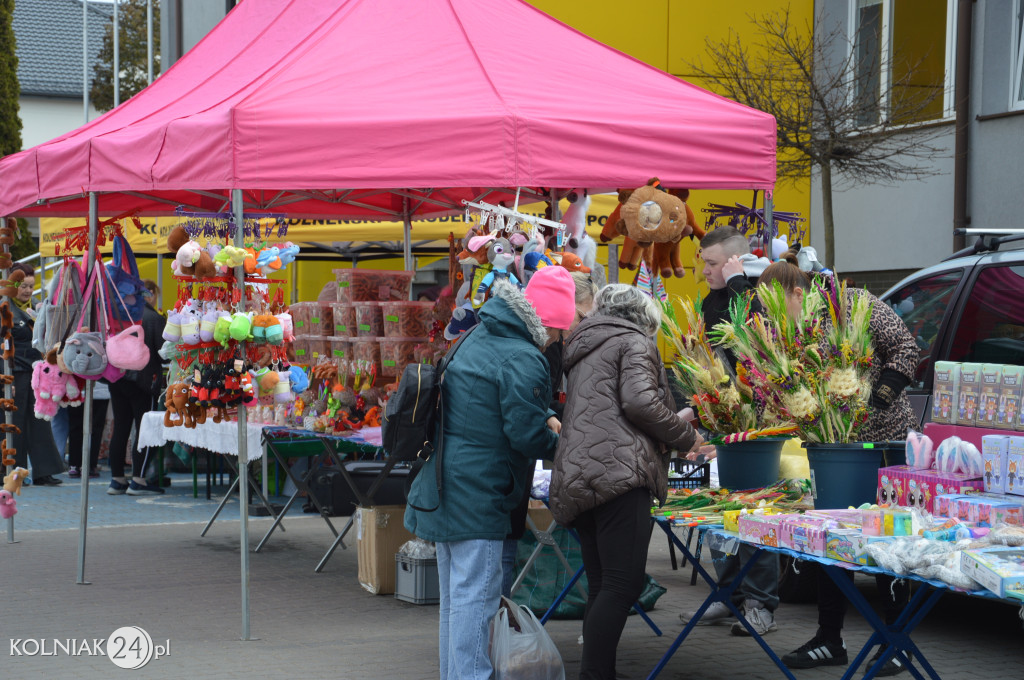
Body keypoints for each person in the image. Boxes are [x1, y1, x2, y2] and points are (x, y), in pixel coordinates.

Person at [404, 266, 577, 680]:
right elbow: (524, 434)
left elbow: (496, 403)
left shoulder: (477, 335)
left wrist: (545, 414)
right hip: (478, 493)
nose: (556, 341)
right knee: (476, 602)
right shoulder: (524, 356)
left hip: (446, 485)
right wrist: (566, 444)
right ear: (548, 322)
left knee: (456, 602)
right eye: (557, 332)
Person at [759, 252, 918, 676]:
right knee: (829, 535)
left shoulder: (851, 303)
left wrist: (880, 394)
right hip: (832, 443)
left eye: (779, 309)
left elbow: (906, 346)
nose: (777, 320)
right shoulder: (797, 329)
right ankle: (830, 640)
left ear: (798, 292)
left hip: (883, 441)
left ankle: (895, 640)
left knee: (882, 538)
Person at [549, 284, 701, 680]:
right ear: (644, 318)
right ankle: (596, 675)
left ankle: (599, 672)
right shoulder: (634, 342)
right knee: (622, 583)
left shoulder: (585, 345)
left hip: (581, 474)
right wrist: (686, 438)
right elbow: (640, 402)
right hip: (620, 473)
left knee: (603, 582)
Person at [681, 226, 781, 637]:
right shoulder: (710, 301)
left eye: (711, 262)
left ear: (735, 261)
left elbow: (756, 339)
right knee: (721, 509)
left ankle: (761, 604)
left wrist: (741, 283)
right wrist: (699, 410)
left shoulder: (757, 293)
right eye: (702, 261)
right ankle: (729, 595)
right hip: (723, 417)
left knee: (755, 510)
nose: (703, 270)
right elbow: (715, 362)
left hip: (758, 423)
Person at [501, 271, 599, 598]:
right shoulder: (538, 345)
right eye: (581, 316)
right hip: (499, 478)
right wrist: (562, 447)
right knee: (483, 581)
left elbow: (524, 400)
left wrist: (546, 415)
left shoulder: (525, 341)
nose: (579, 325)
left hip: (502, 475)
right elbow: (524, 422)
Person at [7, 263, 65, 486]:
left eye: (31, 286)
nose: (28, 290)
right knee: (16, 424)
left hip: (37, 374)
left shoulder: (36, 308)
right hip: (16, 374)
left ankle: (44, 471)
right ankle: (15, 472)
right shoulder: (5, 309)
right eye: (23, 286)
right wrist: (5, 378)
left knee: (41, 422)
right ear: (12, 284)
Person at [108, 281, 167, 496]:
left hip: (118, 377)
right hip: (143, 380)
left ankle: (116, 480)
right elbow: (164, 351)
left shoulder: (119, 315)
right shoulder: (153, 318)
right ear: (149, 295)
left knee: (121, 429)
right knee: (145, 430)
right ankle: (138, 480)